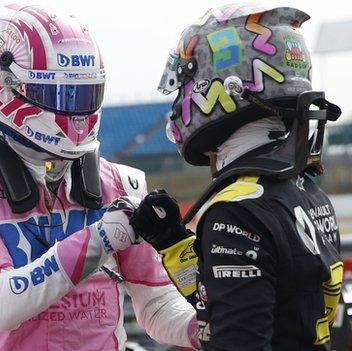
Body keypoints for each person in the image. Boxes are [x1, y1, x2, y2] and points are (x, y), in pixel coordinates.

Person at [0, 4, 198, 350]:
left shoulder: (120, 183)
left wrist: (204, 330)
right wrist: (99, 239)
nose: (74, 111)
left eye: (83, 95)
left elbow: (159, 306)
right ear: (6, 87)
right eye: (58, 95)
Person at [131, 4, 342, 350]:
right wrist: (175, 247)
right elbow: (256, 303)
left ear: (227, 87)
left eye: (186, 80)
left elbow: (236, 337)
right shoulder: (307, 190)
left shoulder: (237, 211)